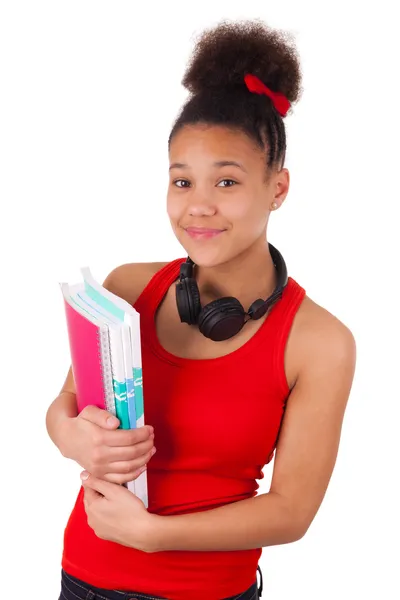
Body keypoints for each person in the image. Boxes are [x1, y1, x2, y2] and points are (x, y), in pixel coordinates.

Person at [46, 19, 356, 600]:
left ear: (278, 188)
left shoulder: (320, 341)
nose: (200, 207)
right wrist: (72, 437)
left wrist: (153, 535)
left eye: (228, 182)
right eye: (182, 182)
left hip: (208, 592)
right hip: (83, 578)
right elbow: (65, 406)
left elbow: (292, 512)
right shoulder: (126, 288)